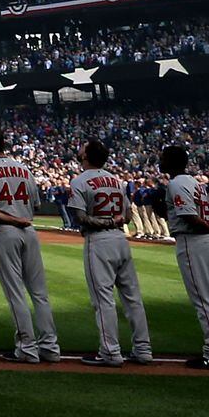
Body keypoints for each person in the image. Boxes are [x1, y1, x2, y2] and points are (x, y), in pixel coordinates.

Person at [0, 125, 60, 363]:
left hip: (4, 231)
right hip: (29, 230)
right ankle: (50, 347)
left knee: (15, 292)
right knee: (40, 293)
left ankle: (27, 348)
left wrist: (9, 217)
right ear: (4, 143)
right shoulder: (23, 167)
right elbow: (37, 204)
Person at [68, 141, 152, 367]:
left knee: (103, 300)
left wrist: (104, 221)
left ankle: (110, 352)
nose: (79, 150)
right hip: (120, 240)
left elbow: (80, 217)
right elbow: (125, 216)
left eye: (82, 149)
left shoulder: (79, 180)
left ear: (86, 156)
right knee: (133, 298)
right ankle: (143, 350)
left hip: (98, 241)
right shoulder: (116, 179)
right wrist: (113, 221)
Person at [159, 146, 209, 369]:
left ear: (172, 162)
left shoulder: (176, 182)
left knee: (204, 300)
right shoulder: (195, 182)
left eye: (163, 158)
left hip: (194, 241)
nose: (160, 161)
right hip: (206, 242)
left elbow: (189, 216)